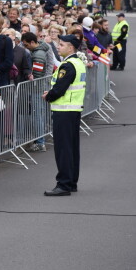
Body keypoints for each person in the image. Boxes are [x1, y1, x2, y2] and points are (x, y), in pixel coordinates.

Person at [42, 35, 87, 196]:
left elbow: (60, 88)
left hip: (64, 111)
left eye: (61, 45)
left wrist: (49, 95)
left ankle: (64, 184)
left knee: (63, 149)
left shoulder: (67, 65)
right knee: (72, 148)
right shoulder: (78, 63)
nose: (58, 47)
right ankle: (71, 182)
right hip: (73, 110)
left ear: (71, 47)